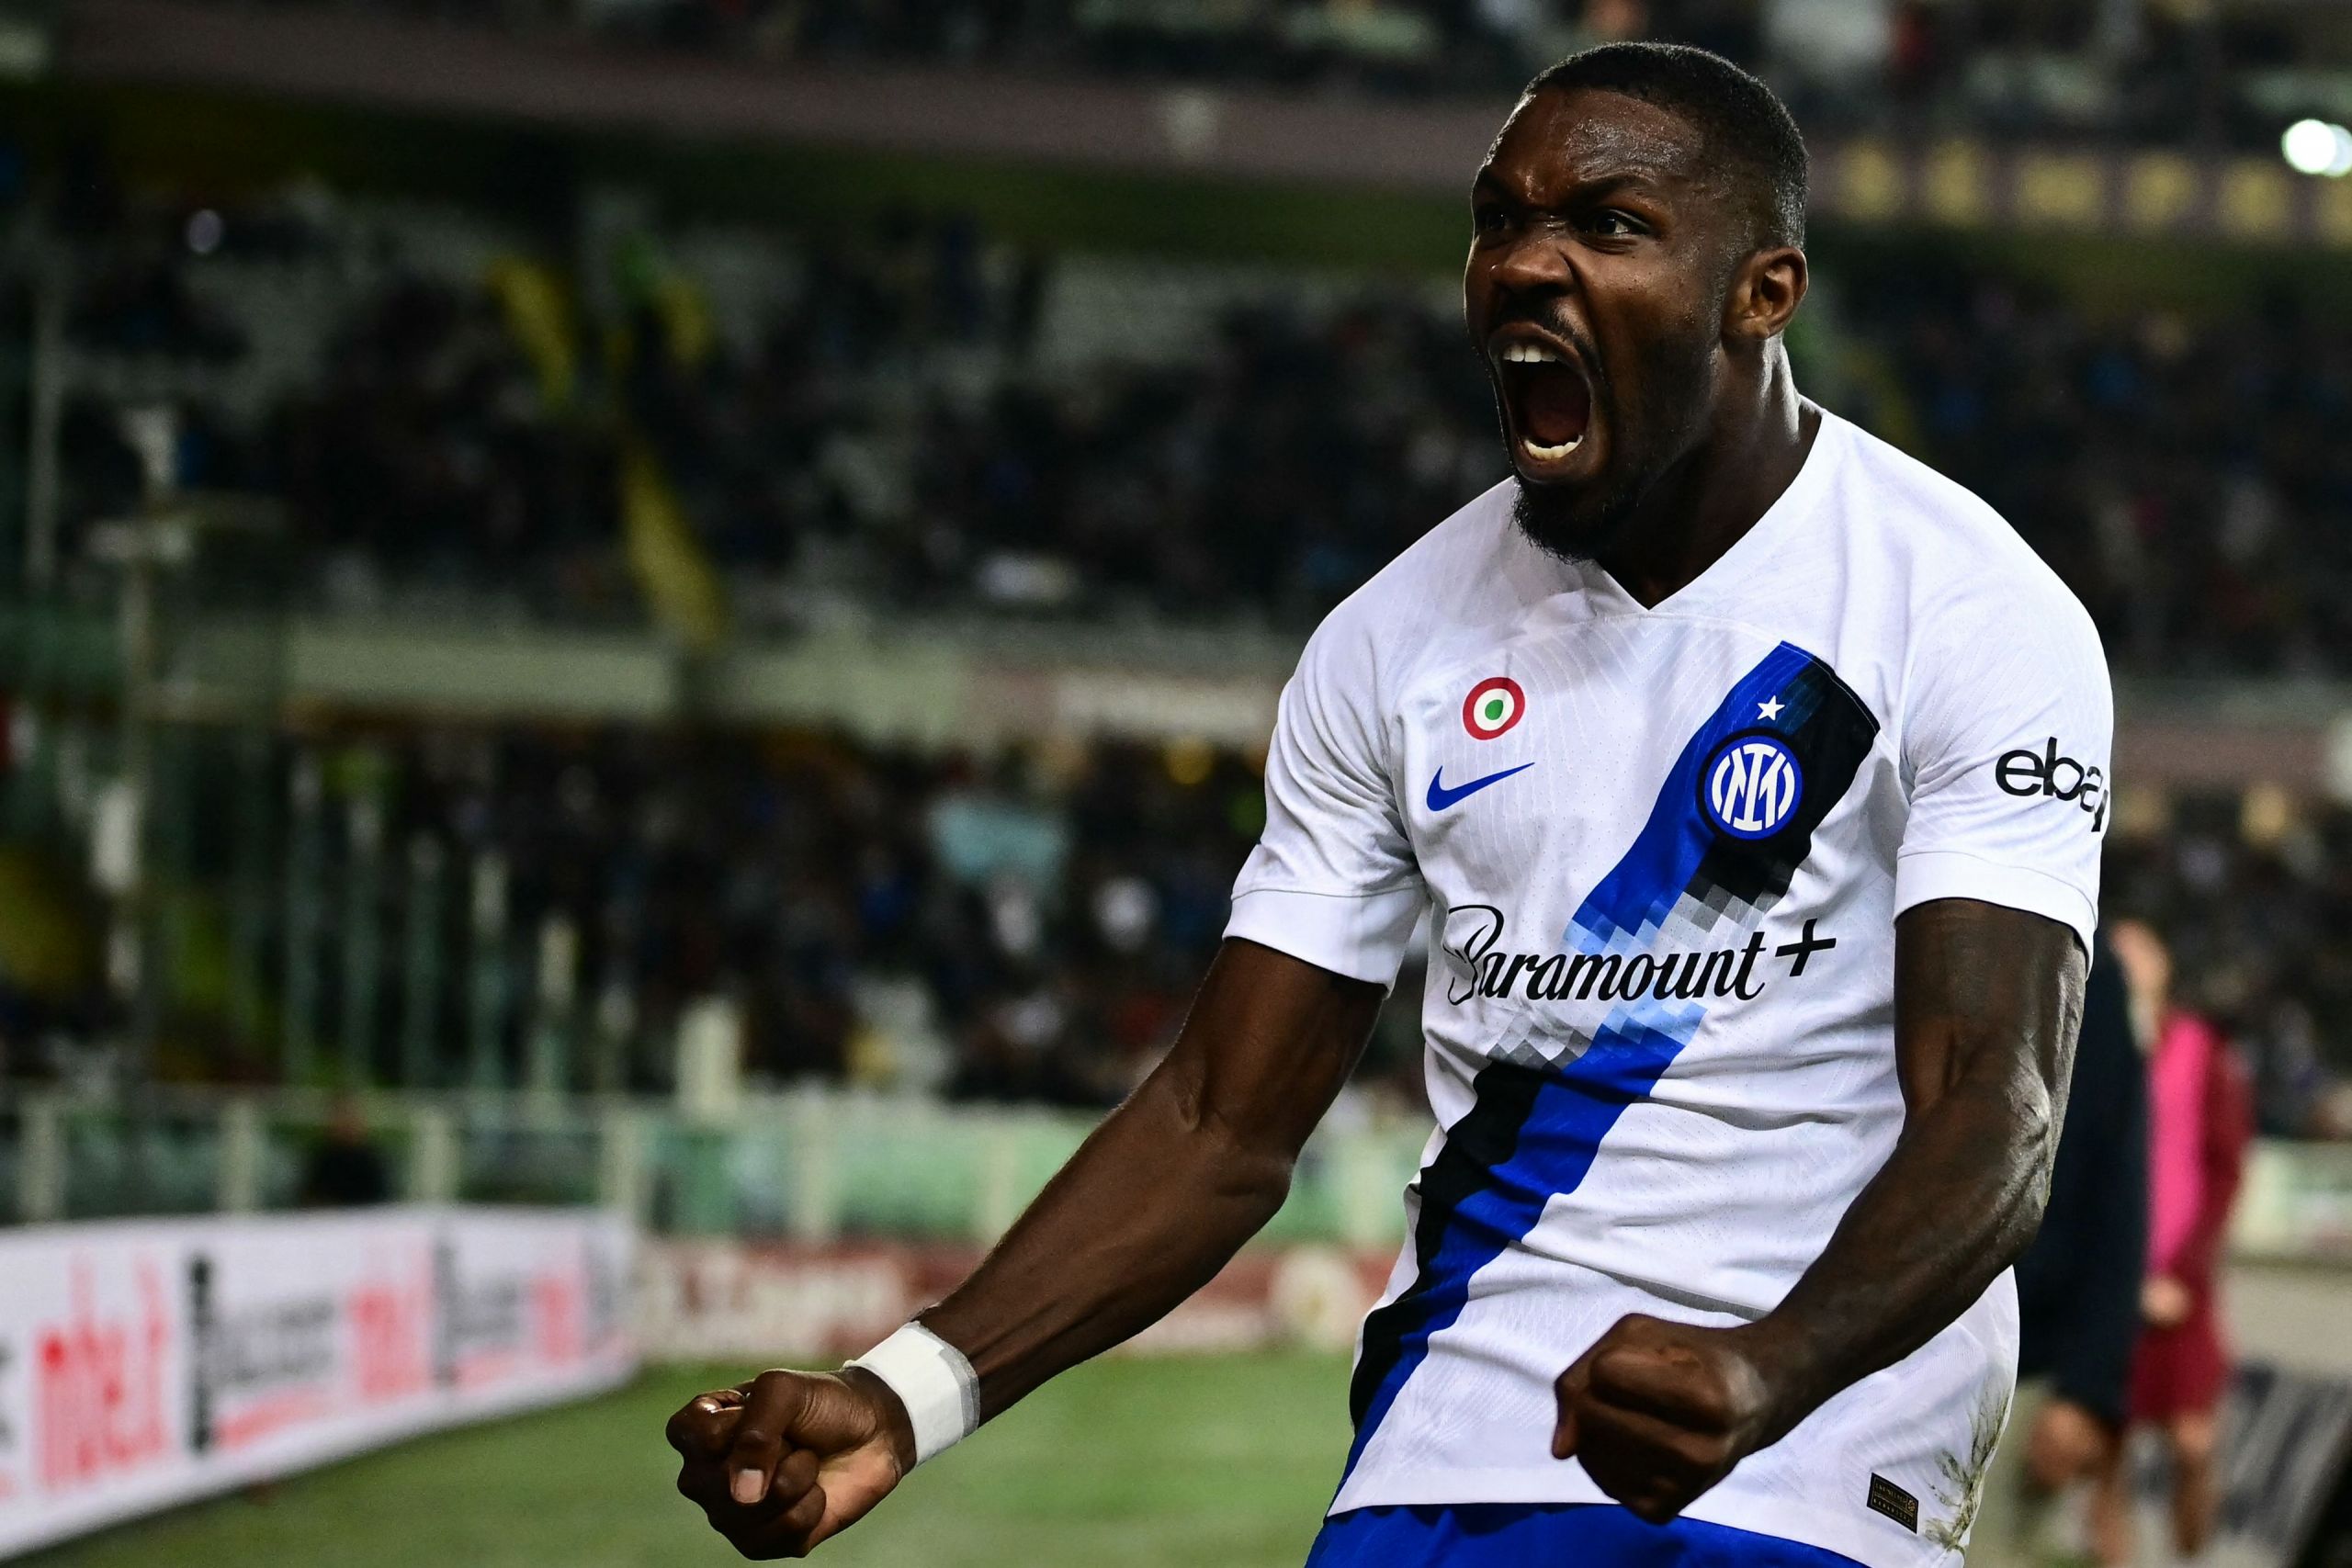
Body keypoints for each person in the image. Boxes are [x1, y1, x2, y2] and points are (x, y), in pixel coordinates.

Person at [667, 42, 2111, 1567]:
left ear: (1764, 291)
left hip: (1804, 1450)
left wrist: (1771, 1364)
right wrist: (902, 1394)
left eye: (1608, 224)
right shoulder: (1391, 641)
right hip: (1449, 1428)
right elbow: (1221, 1115)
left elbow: (1995, 1106)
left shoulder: (1962, 607)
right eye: (1499, 220)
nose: (1526, 264)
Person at [1973, 937, 2148, 1566]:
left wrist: (2087, 1388)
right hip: (1863, 1353)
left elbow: (2117, 1186)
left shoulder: (2084, 959)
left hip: (2019, 1371)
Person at [2090, 919, 2252, 1567]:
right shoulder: (2094, 1053)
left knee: (2192, 1441)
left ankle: (2194, 1548)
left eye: (2141, 952)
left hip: (2181, 1283)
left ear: (2164, 965)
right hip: (2113, 1284)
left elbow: (2225, 1168)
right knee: (2108, 1453)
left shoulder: (2201, 1050)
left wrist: (2185, 1271)